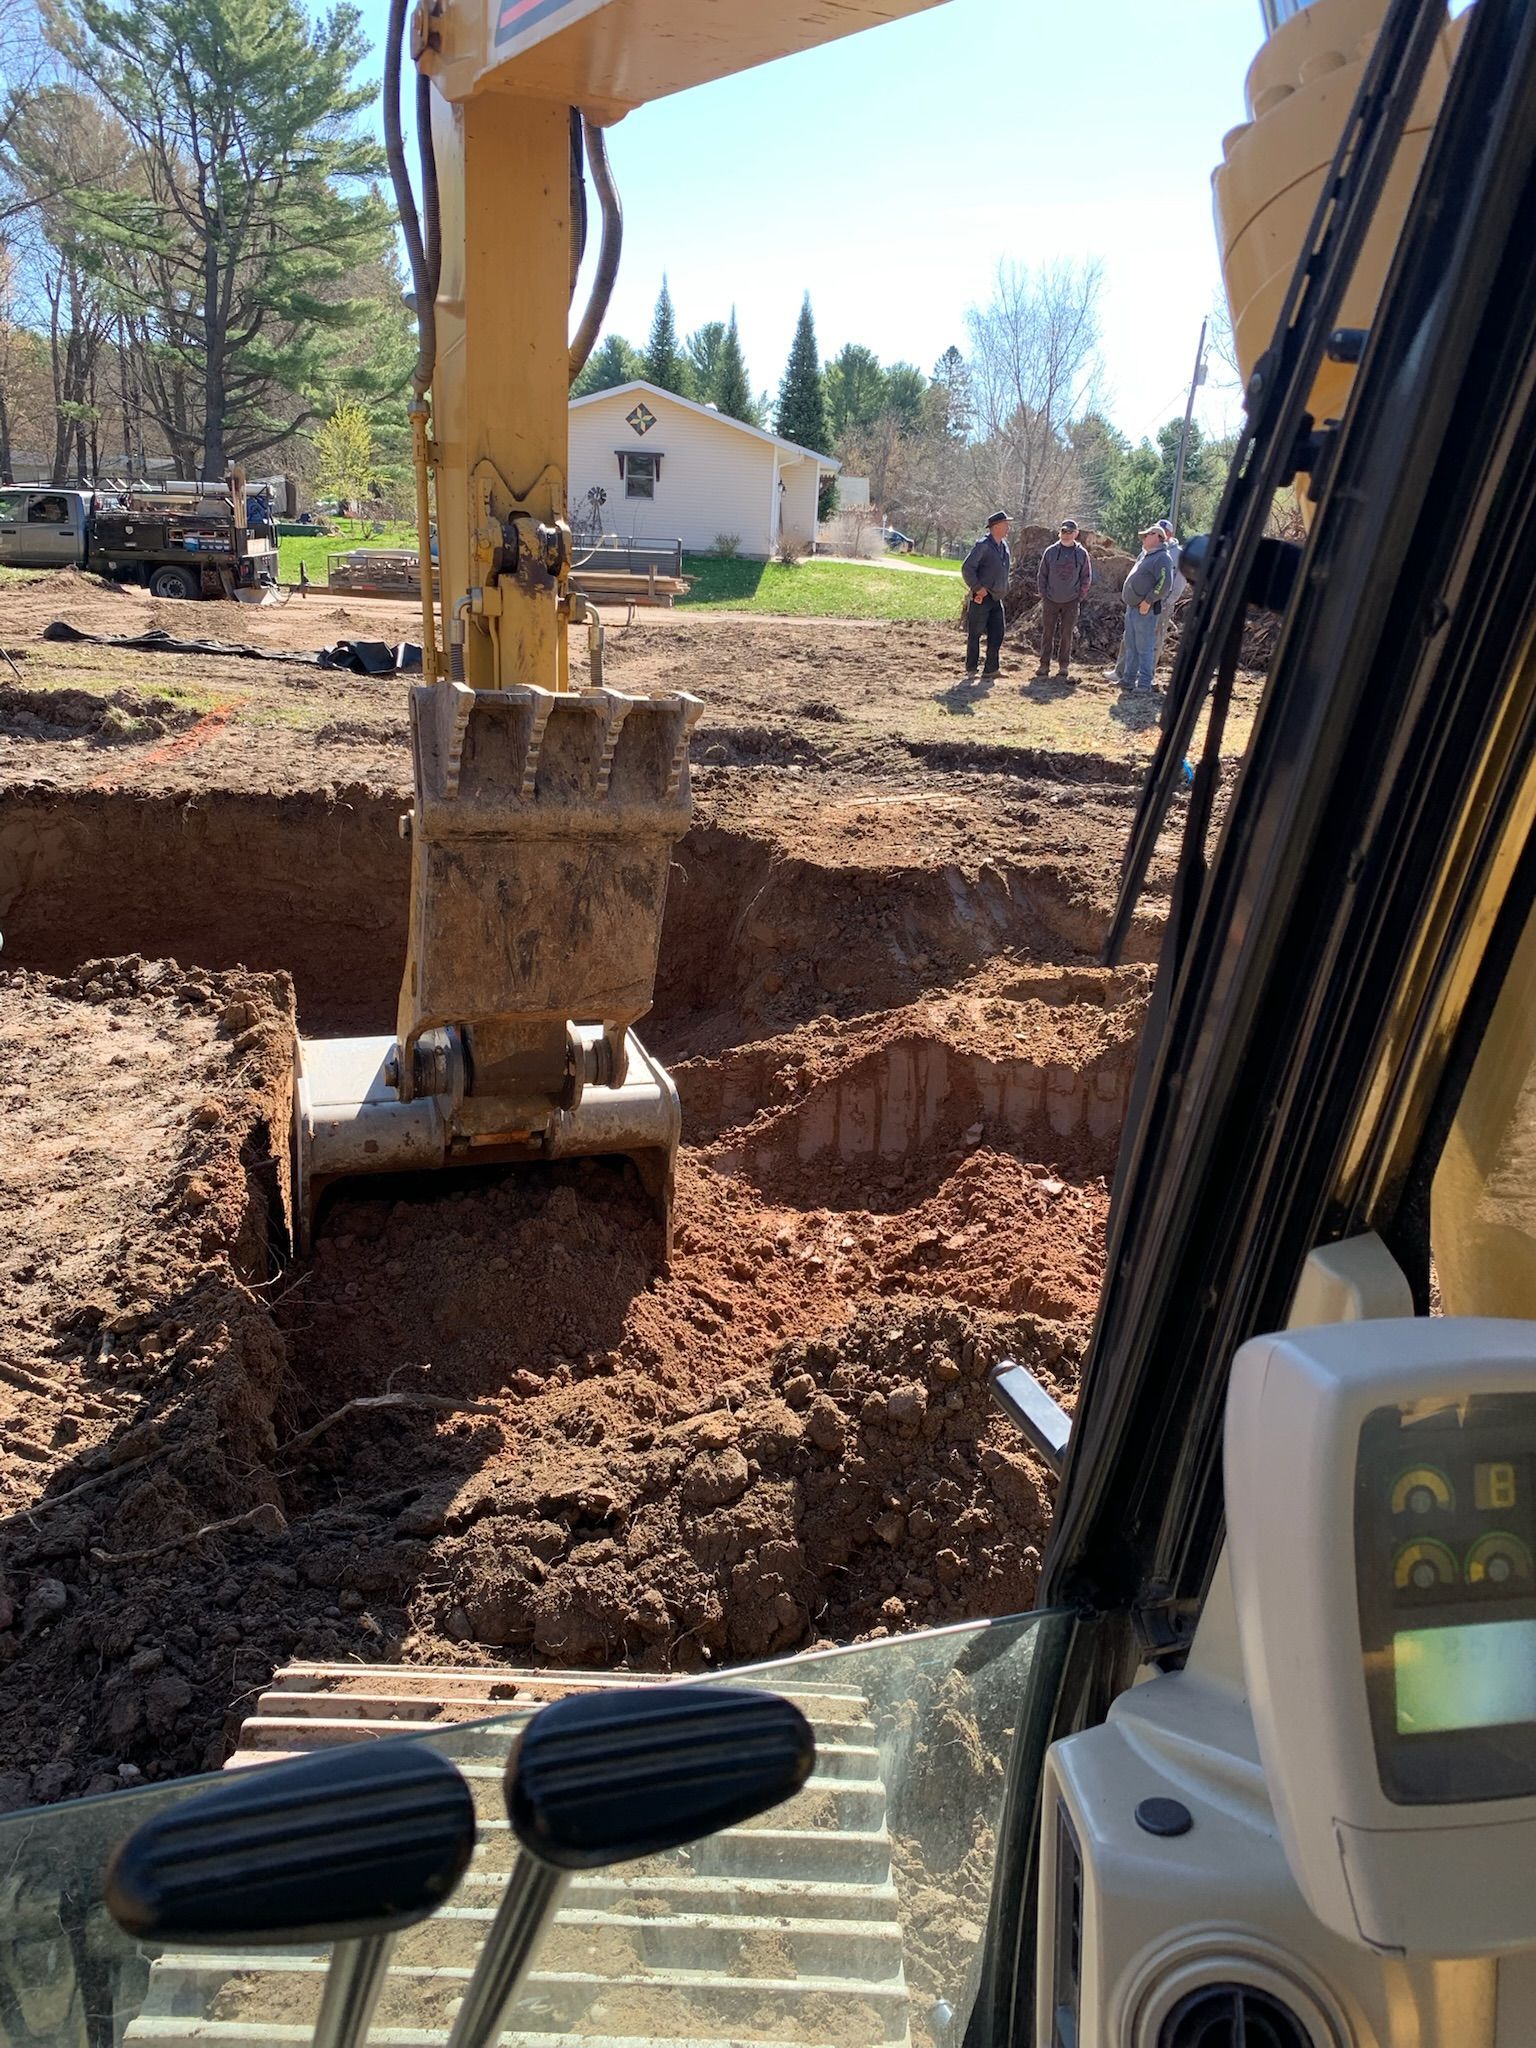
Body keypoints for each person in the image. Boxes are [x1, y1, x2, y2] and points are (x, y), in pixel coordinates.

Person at [1120, 523, 1177, 691]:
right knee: (1131, 645)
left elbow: (1165, 583)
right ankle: (1128, 679)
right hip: (1133, 608)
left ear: (1158, 537)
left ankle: (1144, 684)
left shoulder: (1162, 558)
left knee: (1144, 647)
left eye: (1147, 535)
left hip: (1145, 609)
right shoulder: (1147, 556)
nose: (1144, 538)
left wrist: (1148, 600)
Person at [1035, 519, 1093, 679]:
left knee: (1066, 634)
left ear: (1076, 533)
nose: (1066, 535)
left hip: (1071, 601)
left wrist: (1079, 595)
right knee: (1047, 633)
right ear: (1059, 533)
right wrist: (1043, 594)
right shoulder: (1050, 552)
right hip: (1050, 600)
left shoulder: (1082, 554)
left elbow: (1086, 577)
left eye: (1069, 532)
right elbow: (1042, 574)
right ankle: (1044, 665)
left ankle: (1063, 666)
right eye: (1063, 531)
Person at [960, 510, 1012, 679]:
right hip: (982, 596)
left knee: (998, 633)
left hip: (996, 597)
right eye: (1005, 524)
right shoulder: (983, 545)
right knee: (975, 633)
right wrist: (977, 587)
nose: (1008, 528)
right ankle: (971, 669)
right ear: (995, 527)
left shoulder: (1003, 546)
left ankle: (991, 669)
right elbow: (967, 568)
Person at [1154, 517, 1188, 666]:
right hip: (1146, 600)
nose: (1159, 534)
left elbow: (1181, 581)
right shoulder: (1152, 549)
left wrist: (1169, 601)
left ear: (1169, 534)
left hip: (1163, 603)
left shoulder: (1179, 554)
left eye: (1162, 532)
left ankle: (1147, 672)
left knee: (1156, 637)